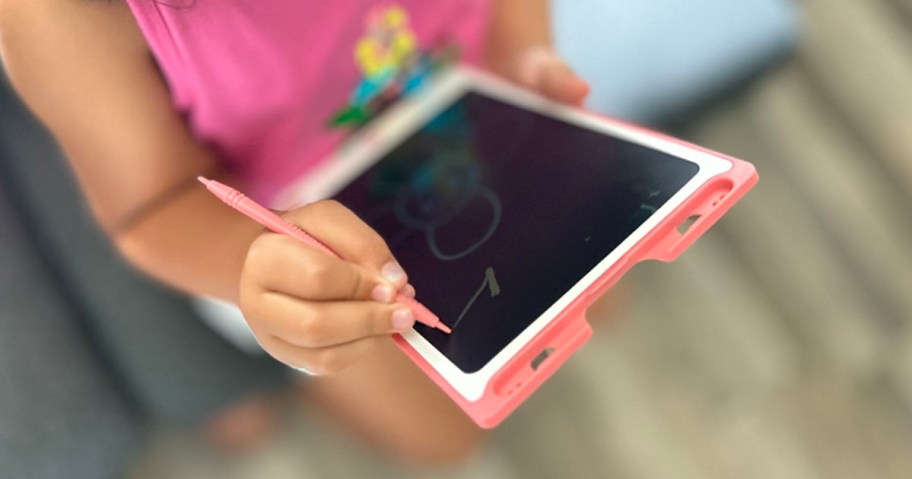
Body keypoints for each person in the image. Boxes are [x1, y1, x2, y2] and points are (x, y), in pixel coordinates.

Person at [0, 0, 589, 464]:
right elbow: (152, 207)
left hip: (471, 122)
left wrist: (523, 49)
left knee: (590, 297)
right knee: (442, 439)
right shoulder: (57, 16)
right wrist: (265, 281)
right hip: (275, 229)